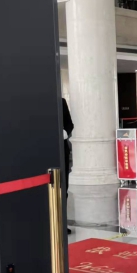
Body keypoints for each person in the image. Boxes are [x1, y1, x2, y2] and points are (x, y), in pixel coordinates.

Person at [62, 98, 74, 234]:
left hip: (61, 151)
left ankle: (61, 224)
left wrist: (64, 132)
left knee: (63, 188)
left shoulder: (61, 102)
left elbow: (70, 124)